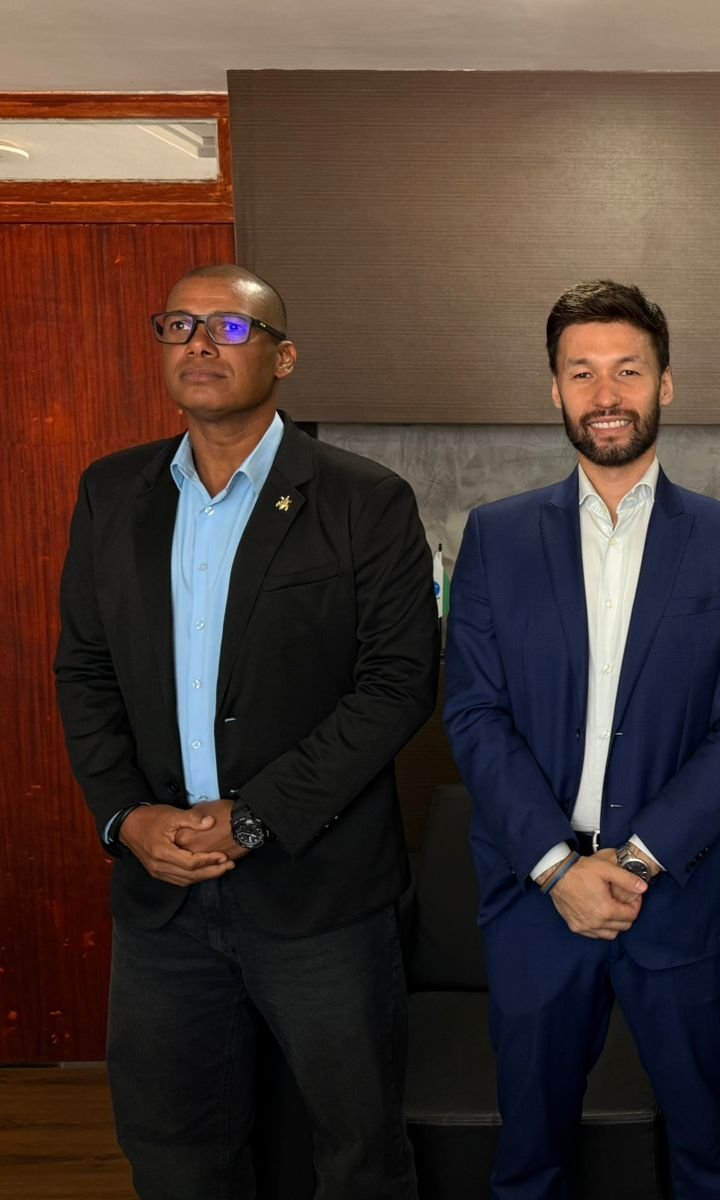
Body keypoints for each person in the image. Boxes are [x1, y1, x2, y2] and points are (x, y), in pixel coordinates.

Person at [54, 264, 440, 1198]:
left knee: (355, 1151)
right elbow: (86, 670)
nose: (198, 343)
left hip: (319, 897)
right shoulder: (112, 492)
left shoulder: (364, 498)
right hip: (163, 896)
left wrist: (258, 815)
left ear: (284, 357)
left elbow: (398, 685)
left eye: (229, 328)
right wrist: (126, 817)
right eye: (178, 325)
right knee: (173, 1147)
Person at [443, 279, 720, 1199]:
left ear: (664, 384)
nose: (605, 394)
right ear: (553, 389)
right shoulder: (496, 537)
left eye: (627, 371)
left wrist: (633, 863)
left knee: (713, 1156)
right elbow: (474, 714)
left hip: (680, 899)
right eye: (581, 372)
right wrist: (559, 869)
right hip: (535, 901)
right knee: (530, 1161)